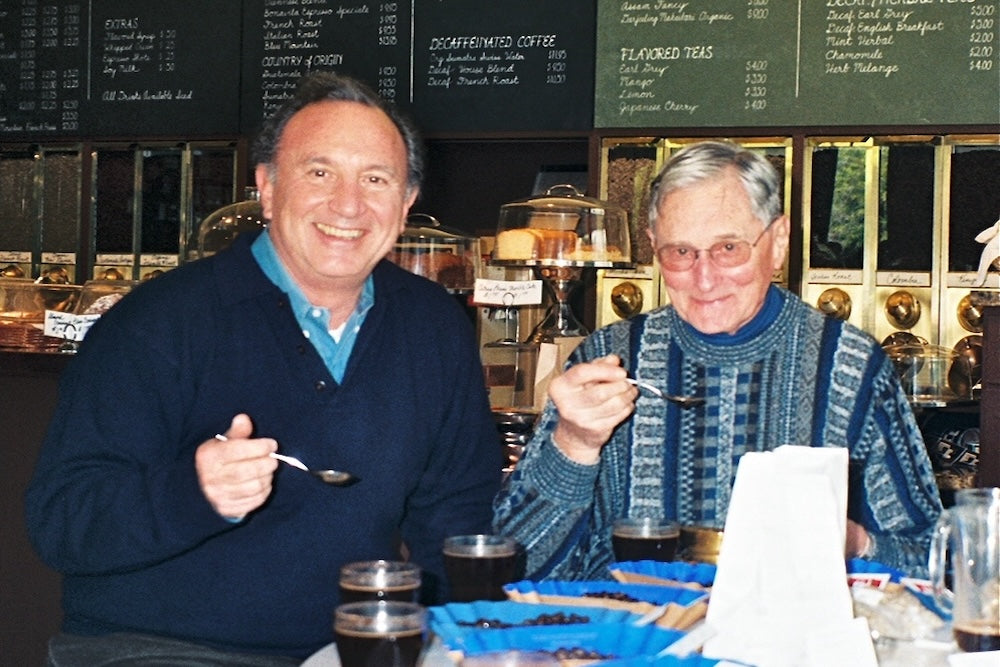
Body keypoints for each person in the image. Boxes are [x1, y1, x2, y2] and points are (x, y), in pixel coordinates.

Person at [25, 71, 502, 665]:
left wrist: (455, 637)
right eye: (319, 172)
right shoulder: (159, 322)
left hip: (356, 646)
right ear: (268, 189)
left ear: (405, 205)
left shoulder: (433, 325)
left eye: (376, 179)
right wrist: (194, 492)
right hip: (160, 646)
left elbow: (457, 512)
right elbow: (62, 521)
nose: (348, 204)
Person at [493, 140, 942, 581]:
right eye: (680, 252)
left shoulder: (850, 367)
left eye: (728, 248)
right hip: (637, 643)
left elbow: (934, 562)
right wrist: (573, 445)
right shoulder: (607, 362)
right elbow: (516, 565)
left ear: (778, 241)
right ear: (653, 247)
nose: (704, 278)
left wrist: (855, 544)